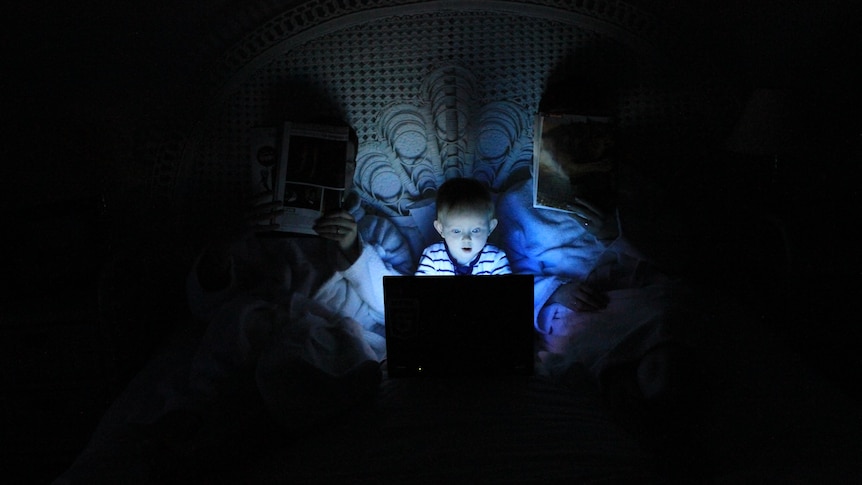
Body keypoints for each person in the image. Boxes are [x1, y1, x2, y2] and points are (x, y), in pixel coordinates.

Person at [414, 177, 511, 275]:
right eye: (456, 231)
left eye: (476, 230)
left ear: (490, 227)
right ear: (441, 229)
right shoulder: (433, 257)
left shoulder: (496, 259)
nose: (466, 239)